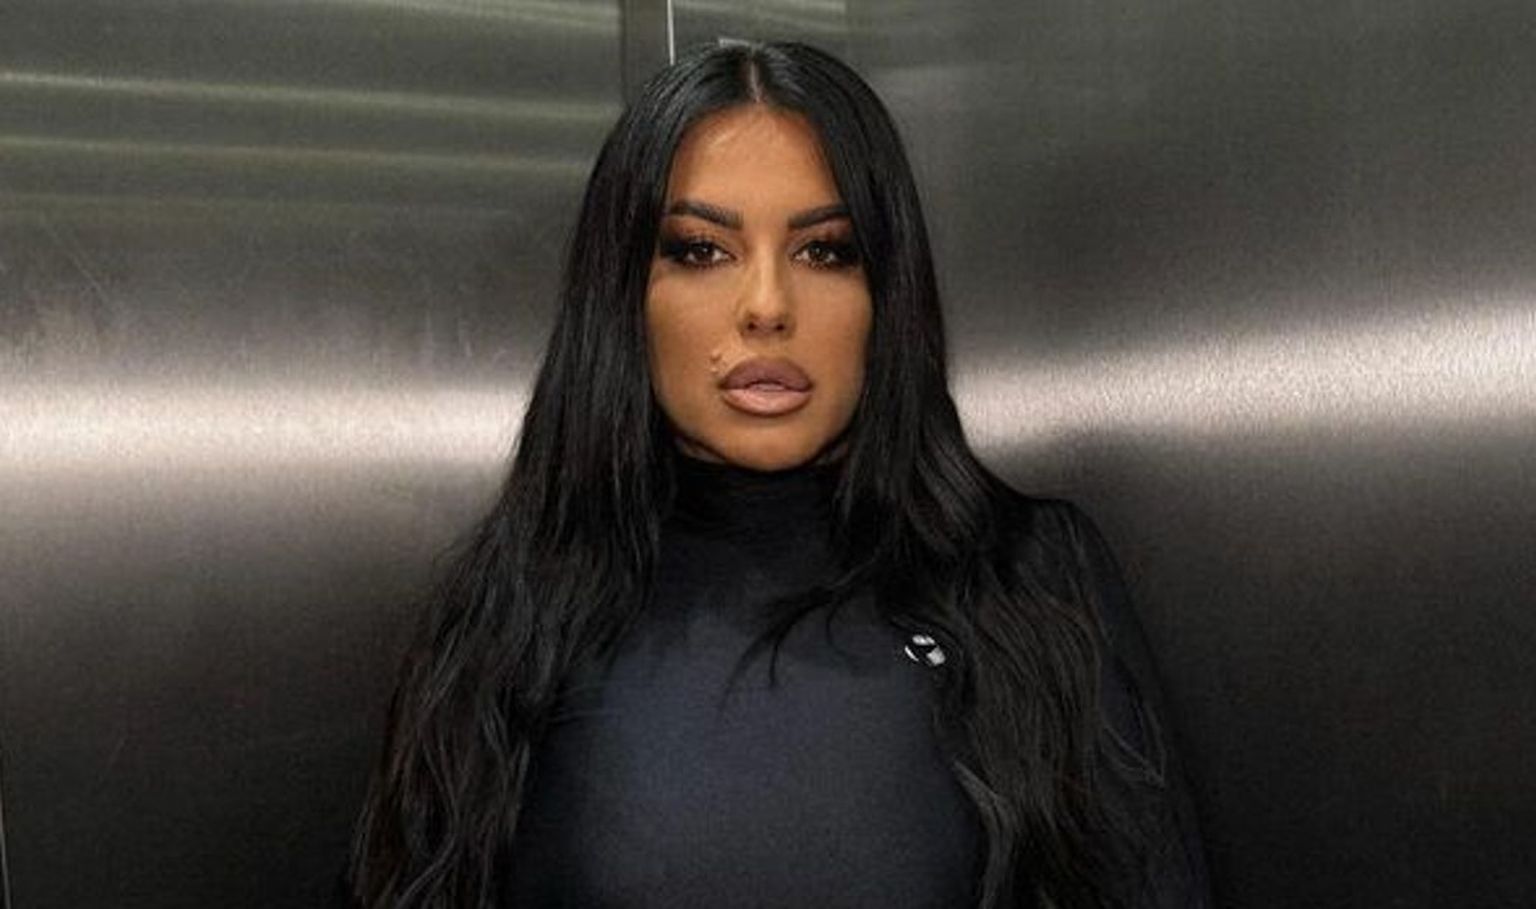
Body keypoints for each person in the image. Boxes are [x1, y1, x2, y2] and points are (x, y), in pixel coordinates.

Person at [347, 40, 1210, 909]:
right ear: (623, 296)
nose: (766, 305)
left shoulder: (1030, 580)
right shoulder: (505, 612)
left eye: (825, 251)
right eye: (701, 250)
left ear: (888, 295)